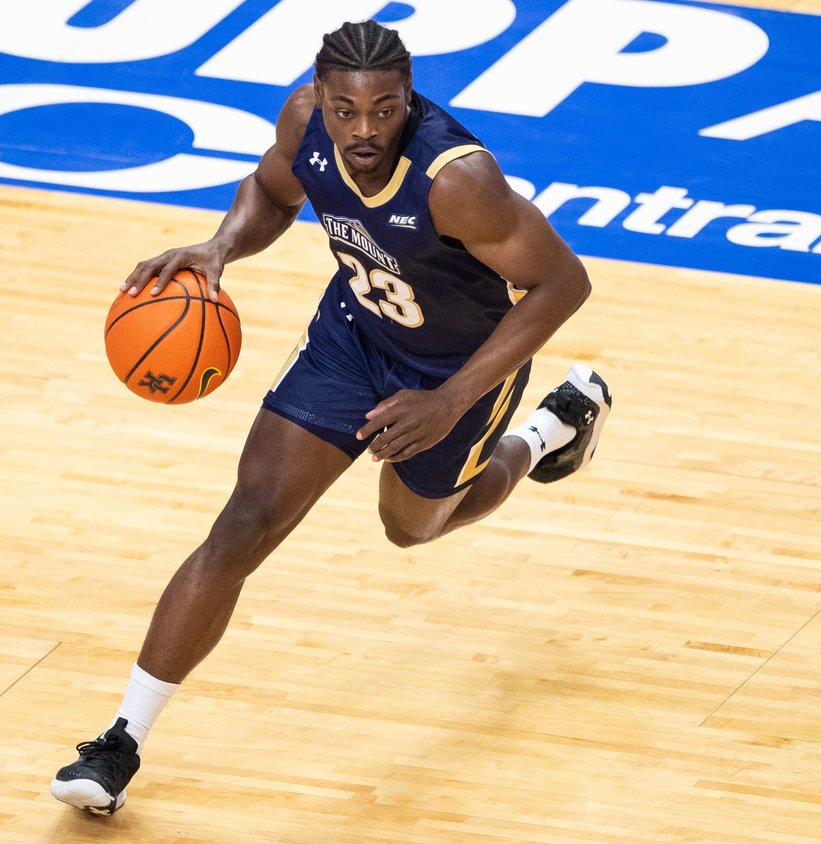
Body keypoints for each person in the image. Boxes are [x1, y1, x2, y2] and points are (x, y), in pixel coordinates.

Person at [51, 19, 611, 815]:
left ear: (407, 95)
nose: (364, 130)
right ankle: (117, 745)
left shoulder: (459, 181)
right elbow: (273, 193)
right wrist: (220, 248)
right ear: (323, 96)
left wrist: (453, 399)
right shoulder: (301, 120)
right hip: (352, 340)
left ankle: (552, 429)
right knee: (244, 523)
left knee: (412, 527)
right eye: (346, 111)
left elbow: (563, 284)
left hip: (458, 370)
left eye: (383, 110)